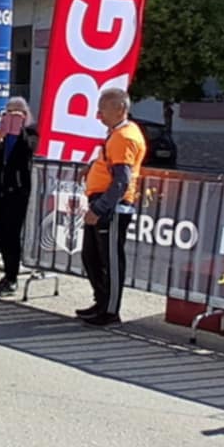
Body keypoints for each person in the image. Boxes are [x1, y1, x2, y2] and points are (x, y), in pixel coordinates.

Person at [79, 87, 147, 327]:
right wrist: (92, 167)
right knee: (91, 256)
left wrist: (100, 209)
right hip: (103, 201)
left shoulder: (124, 137)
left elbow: (121, 180)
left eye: (103, 109)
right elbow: (112, 166)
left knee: (110, 259)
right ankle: (101, 301)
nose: (99, 114)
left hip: (112, 207)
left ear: (120, 109)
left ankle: (110, 311)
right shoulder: (117, 134)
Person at [0, 97, 38, 297]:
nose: (11, 116)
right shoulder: (2, 134)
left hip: (17, 191)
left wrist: (19, 130)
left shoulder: (30, 133)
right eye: (8, 112)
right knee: (1, 234)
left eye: (16, 112)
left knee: (12, 234)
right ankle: (7, 274)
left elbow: (28, 151)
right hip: (0, 188)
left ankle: (12, 277)